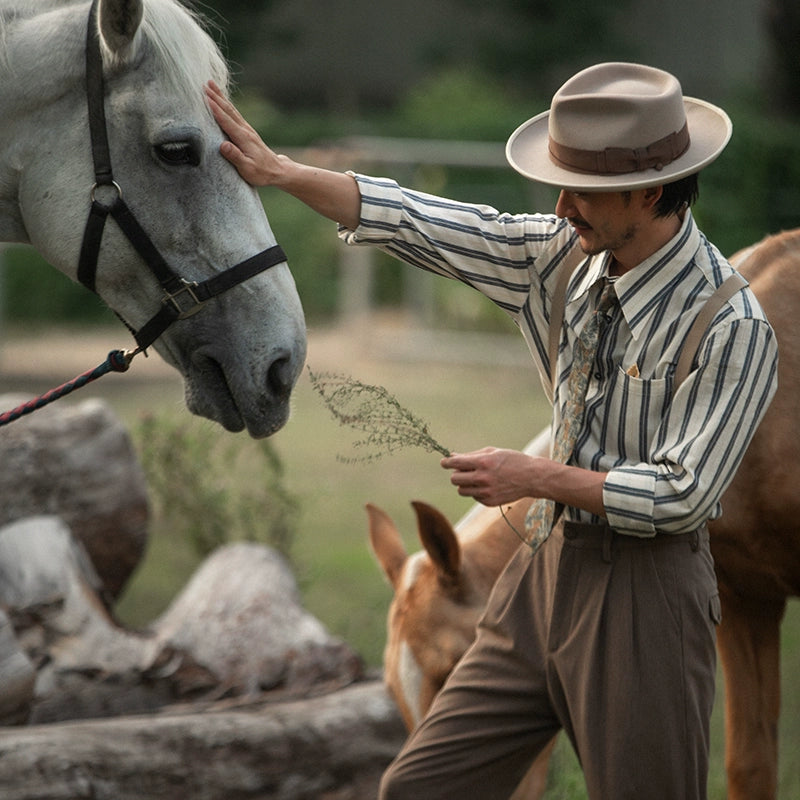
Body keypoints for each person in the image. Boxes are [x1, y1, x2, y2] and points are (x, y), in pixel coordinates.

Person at [205, 62, 777, 800]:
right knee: (418, 788)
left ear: (649, 191)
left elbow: (681, 495)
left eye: (582, 190)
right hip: (541, 574)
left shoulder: (731, 327)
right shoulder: (559, 258)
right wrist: (282, 172)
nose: (562, 206)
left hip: (648, 601)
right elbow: (420, 220)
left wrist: (533, 476)